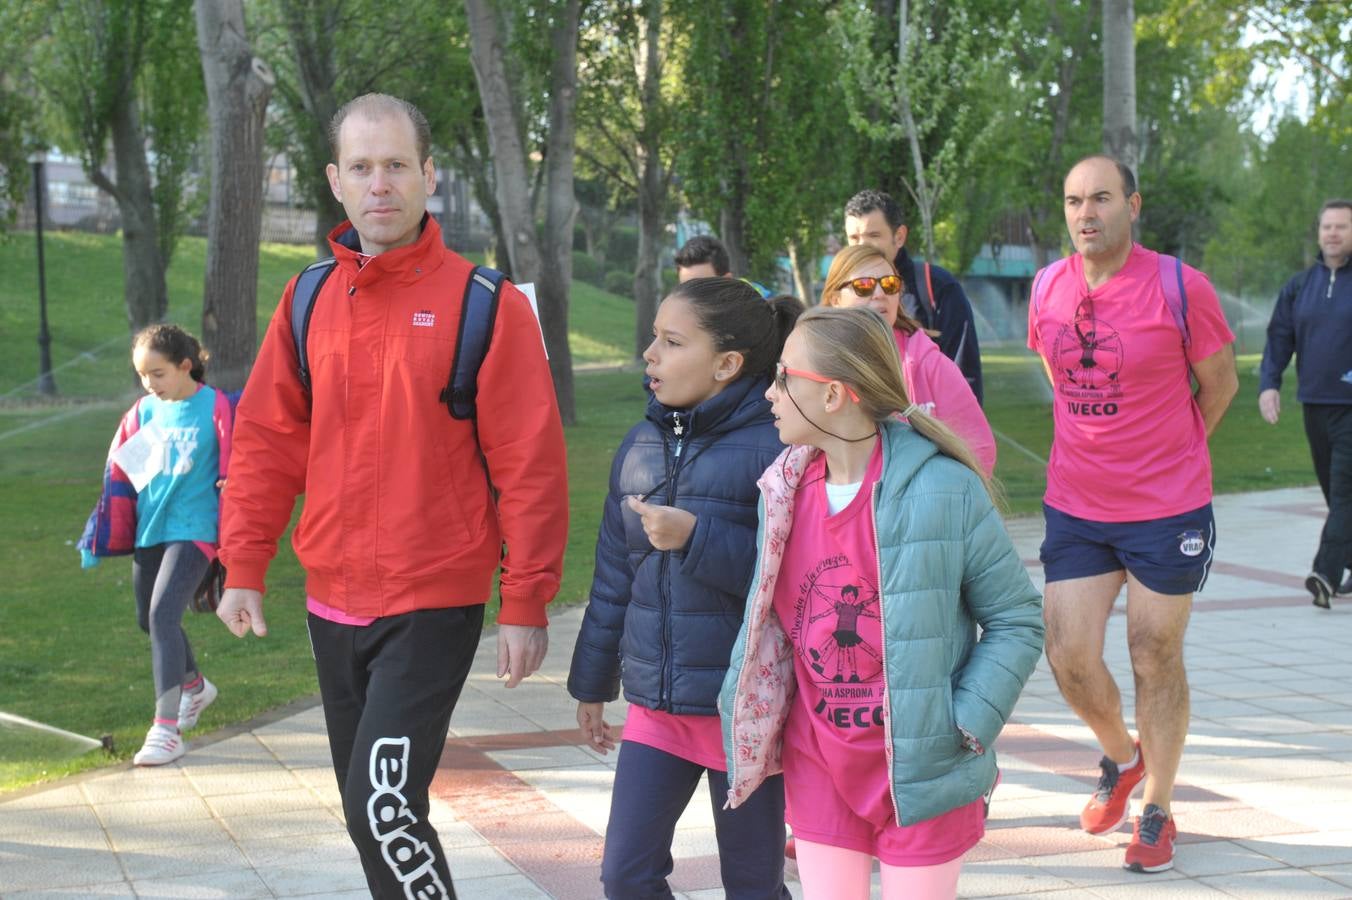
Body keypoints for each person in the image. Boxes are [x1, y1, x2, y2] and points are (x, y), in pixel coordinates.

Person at [215, 93, 568, 899]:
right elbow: (267, 442)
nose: (382, 184)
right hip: (331, 600)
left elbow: (532, 466)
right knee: (363, 808)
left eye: (399, 165)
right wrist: (244, 563)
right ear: (336, 182)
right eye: (364, 168)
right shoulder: (305, 300)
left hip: (430, 601)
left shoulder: (489, 305)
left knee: (384, 807)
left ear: (429, 176)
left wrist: (526, 600)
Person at [719, 306, 1043, 900]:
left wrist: (965, 722)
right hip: (820, 764)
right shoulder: (781, 492)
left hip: (924, 769)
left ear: (835, 395)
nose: (770, 391)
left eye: (785, 376)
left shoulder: (944, 488)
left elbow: (1016, 618)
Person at [1028, 155, 1238, 874]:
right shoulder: (1047, 288)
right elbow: (1060, 379)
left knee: (1154, 653)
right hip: (1077, 507)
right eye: (1074, 200)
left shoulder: (1182, 286)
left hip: (1166, 508)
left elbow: (1220, 383)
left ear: (1133, 205)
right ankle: (1122, 756)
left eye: (1102, 199)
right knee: (1069, 657)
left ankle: (1159, 807)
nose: (1087, 213)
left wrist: (1171, 454)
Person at [569, 278, 801, 899]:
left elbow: (797, 581)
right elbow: (614, 578)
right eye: (654, 338)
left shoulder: (781, 446)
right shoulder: (640, 444)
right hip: (656, 712)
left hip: (743, 713)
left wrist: (696, 538)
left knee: (753, 885)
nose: (650, 354)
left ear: (728, 364)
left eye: (671, 342)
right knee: (625, 875)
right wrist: (592, 683)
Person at [78, 324, 231, 766]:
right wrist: (103, 529)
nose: (150, 384)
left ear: (186, 366)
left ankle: (166, 731)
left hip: (196, 528)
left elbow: (238, 461)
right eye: (143, 376)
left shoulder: (215, 407)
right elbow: (123, 477)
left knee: (164, 613)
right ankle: (196, 687)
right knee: (149, 620)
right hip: (152, 529)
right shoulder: (145, 413)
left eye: (158, 374)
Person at [820, 243, 996, 475]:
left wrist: (929, 496)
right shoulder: (815, 364)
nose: (880, 294)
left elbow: (979, 450)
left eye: (889, 284)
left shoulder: (931, 365)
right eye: (864, 286)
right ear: (834, 299)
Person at [1259, 199, 1352, 608]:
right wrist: (1269, 385)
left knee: (1346, 492)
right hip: (1314, 404)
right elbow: (1280, 338)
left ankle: (1325, 574)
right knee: (1337, 496)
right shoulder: (1299, 287)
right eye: (1327, 226)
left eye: (1342, 227)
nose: (1333, 233)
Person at [844, 190, 984, 403]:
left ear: (899, 236)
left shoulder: (938, 286)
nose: (862, 246)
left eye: (873, 236)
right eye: (854, 238)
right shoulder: (842, 291)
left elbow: (965, 374)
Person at [674, 234, 772, 297]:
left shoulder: (758, 310)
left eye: (703, 287)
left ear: (727, 280)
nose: (693, 297)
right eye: (685, 288)